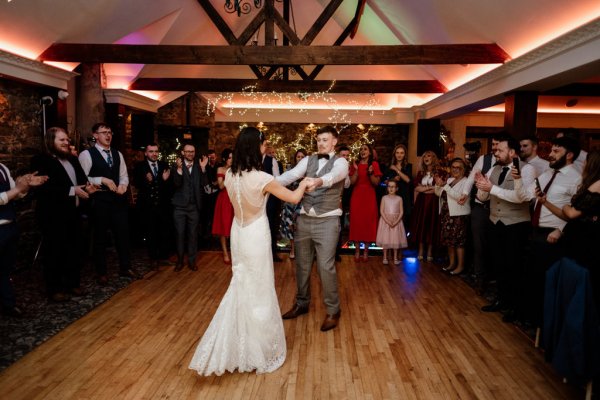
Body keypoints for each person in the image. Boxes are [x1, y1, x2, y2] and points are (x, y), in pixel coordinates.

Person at [189, 127, 309, 376]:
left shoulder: (231, 175)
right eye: (263, 144)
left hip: (239, 233)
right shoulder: (262, 178)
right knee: (260, 289)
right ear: (255, 147)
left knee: (242, 285)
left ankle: (240, 344)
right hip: (256, 234)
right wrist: (305, 182)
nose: (265, 148)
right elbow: (294, 198)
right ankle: (257, 350)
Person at [277, 126, 349, 332]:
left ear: (334, 141)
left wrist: (318, 181)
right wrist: (267, 183)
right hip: (305, 220)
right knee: (302, 264)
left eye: (325, 140)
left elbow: (335, 176)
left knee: (326, 267)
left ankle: (333, 310)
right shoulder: (307, 160)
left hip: (327, 221)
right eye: (318, 140)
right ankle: (301, 303)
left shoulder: (341, 162)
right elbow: (289, 176)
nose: (321, 143)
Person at [476, 134, 535, 323]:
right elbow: (484, 198)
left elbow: (520, 197)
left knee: (514, 266)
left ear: (512, 152)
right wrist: (481, 186)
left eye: (500, 150)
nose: (496, 153)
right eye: (495, 150)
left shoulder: (527, 170)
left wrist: (491, 188)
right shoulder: (494, 168)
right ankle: (501, 300)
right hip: (495, 222)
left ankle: (515, 306)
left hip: (516, 225)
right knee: (498, 264)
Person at [31, 127, 93, 302]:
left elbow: (82, 181)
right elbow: (43, 189)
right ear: (51, 142)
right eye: (62, 140)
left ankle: (72, 283)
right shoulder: (40, 160)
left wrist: (88, 187)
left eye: (67, 140)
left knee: (74, 250)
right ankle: (54, 289)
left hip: (74, 213)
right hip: (53, 216)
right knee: (54, 253)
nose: (67, 143)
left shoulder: (72, 160)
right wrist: (72, 190)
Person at [78, 122, 136, 285]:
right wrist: (101, 179)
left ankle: (125, 267)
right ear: (95, 135)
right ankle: (101, 272)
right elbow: (83, 178)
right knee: (100, 238)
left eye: (110, 132)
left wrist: (123, 186)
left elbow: (123, 175)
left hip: (118, 201)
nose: (108, 135)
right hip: (99, 201)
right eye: (104, 132)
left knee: (123, 236)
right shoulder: (86, 155)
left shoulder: (118, 154)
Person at [0, 164, 47, 317]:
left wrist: (26, 186)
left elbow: (17, 194)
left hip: (10, 227)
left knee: (5, 270)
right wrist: (19, 188)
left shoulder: (3, 167)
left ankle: (8, 304)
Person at [132, 143, 172, 268]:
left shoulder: (164, 165)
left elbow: (170, 187)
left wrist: (165, 180)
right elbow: (136, 184)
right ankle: (153, 258)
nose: (154, 154)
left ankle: (164, 257)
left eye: (156, 151)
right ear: (146, 153)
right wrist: (146, 181)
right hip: (147, 206)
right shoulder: (139, 166)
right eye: (151, 151)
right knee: (151, 232)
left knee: (164, 232)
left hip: (163, 205)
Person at [171, 143, 208, 272]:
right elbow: (175, 184)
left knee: (193, 235)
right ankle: (180, 261)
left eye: (192, 151)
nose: (190, 153)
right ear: (183, 152)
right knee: (180, 234)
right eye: (187, 151)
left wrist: (203, 169)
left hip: (194, 207)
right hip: (179, 207)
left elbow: (204, 184)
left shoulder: (199, 166)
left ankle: (192, 262)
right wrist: (179, 170)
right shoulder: (176, 166)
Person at [434, 158, 471, 275]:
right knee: (449, 242)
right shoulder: (450, 180)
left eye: (458, 167)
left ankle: (460, 266)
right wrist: (438, 184)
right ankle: (451, 264)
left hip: (459, 216)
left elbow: (460, 197)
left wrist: (445, 186)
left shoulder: (466, 182)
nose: (455, 170)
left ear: (464, 169)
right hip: (447, 215)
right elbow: (439, 193)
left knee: (459, 242)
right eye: (453, 167)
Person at [349, 143, 382, 261]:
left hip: (369, 196)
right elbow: (352, 182)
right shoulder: (355, 164)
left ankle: (366, 252)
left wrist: (370, 172)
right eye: (361, 149)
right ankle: (357, 251)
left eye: (365, 149)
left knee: (368, 222)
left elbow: (376, 183)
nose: (363, 151)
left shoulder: (374, 164)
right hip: (357, 196)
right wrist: (357, 170)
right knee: (357, 222)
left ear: (370, 152)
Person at [410, 150, 441, 261]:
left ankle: (429, 251)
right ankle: (421, 250)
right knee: (421, 225)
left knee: (431, 225)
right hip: (421, 203)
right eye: (424, 157)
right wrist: (429, 188)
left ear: (433, 158)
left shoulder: (439, 173)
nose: (426, 158)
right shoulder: (420, 173)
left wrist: (424, 189)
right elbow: (416, 188)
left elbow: (439, 189)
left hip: (433, 203)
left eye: (429, 156)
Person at [280, 149, 307, 260]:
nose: (300, 158)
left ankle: (302, 251)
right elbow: (284, 185)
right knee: (291, 227)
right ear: (295, 158)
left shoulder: (309, 171)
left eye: (302, 157)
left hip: (304, 203)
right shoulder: (290, 170)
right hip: (290, 202)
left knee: (301, 228)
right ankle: (292, 249)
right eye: (298, 157)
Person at [376, 180, 407, 265]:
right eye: (389, 186)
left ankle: (395, 258)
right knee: (386, 239)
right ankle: (385, 257)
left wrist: (396, 221)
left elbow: (401, 212)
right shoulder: (384, 198)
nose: (391, 188)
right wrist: (388, 221)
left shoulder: (399, 198)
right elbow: (381, 211)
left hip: (396, 221)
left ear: (397, 188)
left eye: (393, 187)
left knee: (395, 239)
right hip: (386, 221)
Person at [211, 148, 234, 264]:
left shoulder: (237, 169)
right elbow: (220, 186)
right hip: (224, 199)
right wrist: (229, 174)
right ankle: (225, 252)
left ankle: (235, 252)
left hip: (234, 199)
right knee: (223, 227)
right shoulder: (221, 169)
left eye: (233, 157)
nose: (232, 160)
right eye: (230, 157)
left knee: (234, 227)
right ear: (225, 158)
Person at [382, 144, 413, 226]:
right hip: (392, 197)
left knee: (403, 220)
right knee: (391, 218)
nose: (399, 155)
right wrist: (392, 180)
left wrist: (396, 169)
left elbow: (408, 180)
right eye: (397, 153)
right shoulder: (389, 166)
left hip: (404, 195)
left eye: (402, 153)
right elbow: (383, 182)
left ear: (405, 154)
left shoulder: (408, 166)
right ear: (394, 154)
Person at [263, 142, 283, 261]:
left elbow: (278, 180)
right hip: (256, 200)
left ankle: (272, 253)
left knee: (272, 226)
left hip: (271, 199)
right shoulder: (251, 161)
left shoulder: (272, 162)